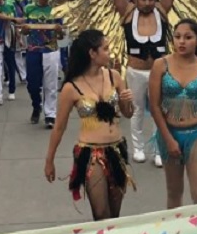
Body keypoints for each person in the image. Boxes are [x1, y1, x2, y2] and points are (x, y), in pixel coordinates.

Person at [45, 29, 135, 221]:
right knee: (101, 213)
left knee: (115, 214)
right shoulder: (71, 87)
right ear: (92, 54)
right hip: (91, 155)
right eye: (105, 49)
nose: (109, 53)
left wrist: (126, 100)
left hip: (117, 150)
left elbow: (128, 113)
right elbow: (59, 127)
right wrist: (49, 161)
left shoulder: (114, 76)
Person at [105, 0, 181, 167]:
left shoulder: (162, 9)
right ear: (136, 0)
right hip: (135, 70)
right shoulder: (127, 12)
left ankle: (159, 149)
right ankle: (138, 148)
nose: (147, 3)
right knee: (137, 110)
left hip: (159, 70)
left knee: (160, 110)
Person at [148, 19, 197, 208]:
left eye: (188, 37)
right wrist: (168, 139)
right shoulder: (160, 65)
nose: (181, 42)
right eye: (177, 37)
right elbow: (154, 106)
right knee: (174, 193)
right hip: (170, 132)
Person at [23, 0, 64, 128]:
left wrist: (60, 31)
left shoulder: (56, 10)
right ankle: (36, 105)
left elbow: (61, 36)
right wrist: (25, 30)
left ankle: (50, 114)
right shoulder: (29, 9)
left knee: (51, 84)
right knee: (32, 84)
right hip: (33, 50)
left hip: (51, 50)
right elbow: (23, 30)